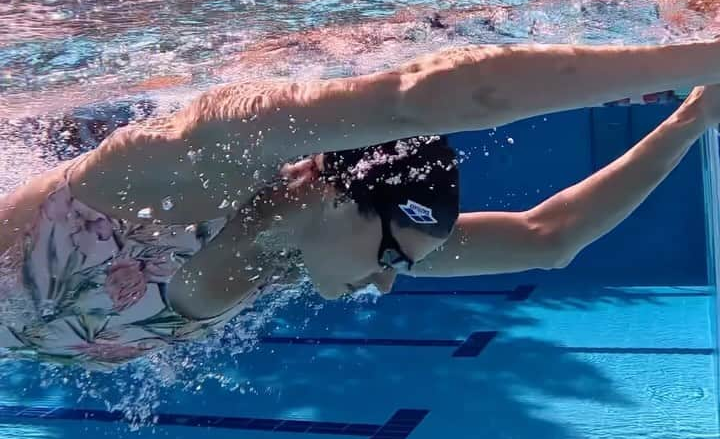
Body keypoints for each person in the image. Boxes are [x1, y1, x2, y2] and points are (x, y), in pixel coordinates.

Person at [1, 36, 720, 369]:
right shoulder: (180, 176)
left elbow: (546, 237)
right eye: (388, 255)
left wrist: (690, 120)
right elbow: (416, 101)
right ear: (337, 195)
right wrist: (702, 55)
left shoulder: (295, 258)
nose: (384, 282)